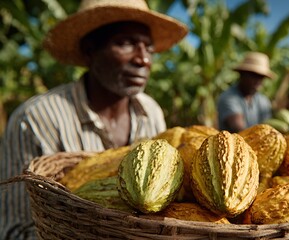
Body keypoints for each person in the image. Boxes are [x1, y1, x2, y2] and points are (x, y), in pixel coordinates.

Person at [0, 0, 188, 239]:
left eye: (148, 48)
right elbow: (15, 229)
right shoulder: (36, 119)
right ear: (90, 51)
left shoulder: (151, 112)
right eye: (125, 43)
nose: (143, 60)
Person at [217, 52, 276, 133]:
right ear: (242, 74)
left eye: (261, 77)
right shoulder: (228, 98)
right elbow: (240, 130)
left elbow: (268, 128)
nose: (258, 80)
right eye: (253, 75)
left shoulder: (263, 100)